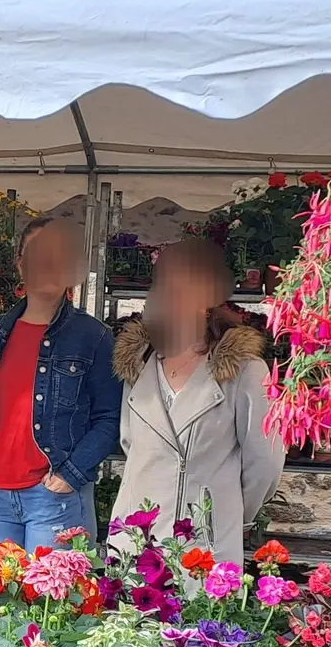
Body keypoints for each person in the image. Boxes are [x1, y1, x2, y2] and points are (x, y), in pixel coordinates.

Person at [109, 237, 284, 562]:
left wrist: (225, 512)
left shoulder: (245, 371)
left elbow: (265, 462)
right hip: (137, 539)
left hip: (204, 544)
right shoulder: (139, 363)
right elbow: (130, 443)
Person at [0, 218, 121, 552]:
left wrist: (69, 475)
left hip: (50, 495)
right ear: (20, 264)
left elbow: (110, 418)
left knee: (50, 601)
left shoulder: (94, 337)